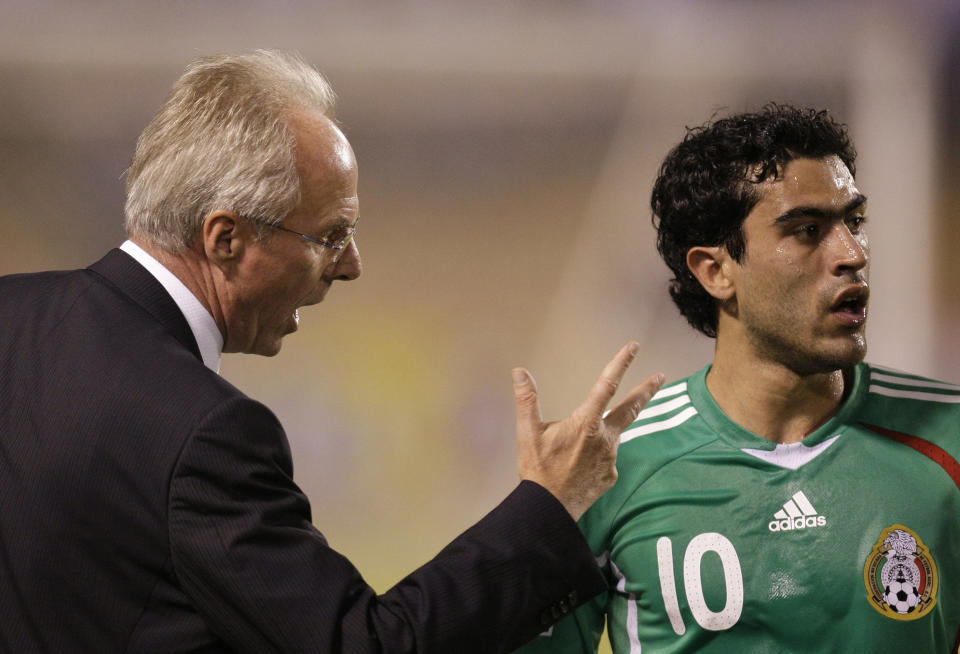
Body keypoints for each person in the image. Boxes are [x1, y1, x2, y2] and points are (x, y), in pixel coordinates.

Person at [0, 50, 666, 653]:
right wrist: (546, 506)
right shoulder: (204, 432)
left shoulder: (11, 314)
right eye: (330, 235)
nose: (350, 266)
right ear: (226, 238)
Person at [515, 104, 960, 653]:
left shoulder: (950, 439)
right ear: (717, 271)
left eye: (855, 222)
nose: (852, 254)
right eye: (806, 230)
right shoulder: (609, 467)